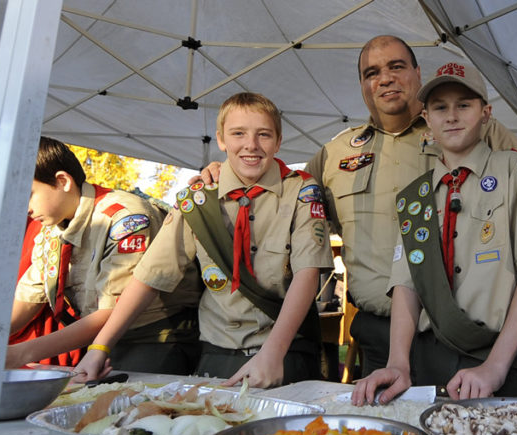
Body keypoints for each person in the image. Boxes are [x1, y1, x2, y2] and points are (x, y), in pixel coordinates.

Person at [200, 36, 517, 376]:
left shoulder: (465, 124)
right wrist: (226, 170)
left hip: (468, 333)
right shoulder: (335, 153)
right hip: (380, 335)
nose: (385, 79)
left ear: (418, 74)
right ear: (362, 85)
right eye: (371, 73)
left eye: (396, 67)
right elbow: (277, 190)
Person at [77, 92, 332, 388]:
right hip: (217, 354)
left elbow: (307, 274)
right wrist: (100, 346)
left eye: (264, 135)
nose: (251, 145)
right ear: (221, 139)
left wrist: (274, 353)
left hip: (285, 352)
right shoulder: (199, 199)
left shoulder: (300, 191)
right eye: (238, 134)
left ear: (278, 141)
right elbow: (151, 276)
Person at [352, 63, 517, 404]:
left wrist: (496, 366)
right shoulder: (415, 197)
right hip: (428, 362)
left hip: (502, 357)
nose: (452, 116)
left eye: (464, 105)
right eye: (440, 107)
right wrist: (398, 362)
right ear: (426, 117)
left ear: (486, 113)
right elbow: (406, 284)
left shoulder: (514, 173)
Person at [3, 137, 201, 375]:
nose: (24, 207)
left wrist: (21, 353)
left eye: (29, 194)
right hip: (100, 341)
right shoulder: (52, 228)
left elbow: (113, 310)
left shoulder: (125, 218)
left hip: (155, 339)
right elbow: (29, 297)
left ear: (63, 181)